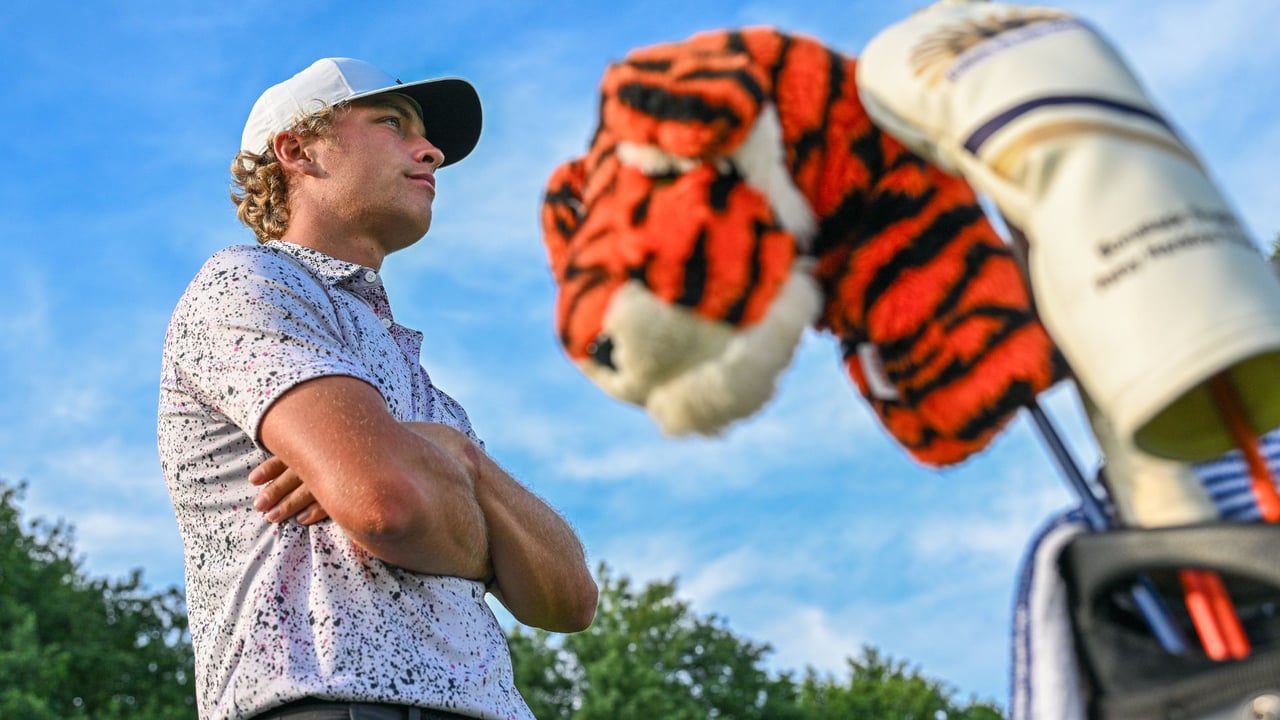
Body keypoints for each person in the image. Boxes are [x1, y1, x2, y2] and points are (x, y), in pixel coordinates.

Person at [158, 57, 598, 720]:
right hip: (328, 705)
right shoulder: (247, 286)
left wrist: (453, 453)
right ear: (298, 150)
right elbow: (386, 502)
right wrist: (479, 529)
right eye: (393, 123)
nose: (432, 151)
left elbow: (569, 596)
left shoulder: (429, 395)